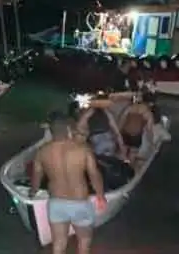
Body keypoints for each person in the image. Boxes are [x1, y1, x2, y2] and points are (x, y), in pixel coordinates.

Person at [29, 116, 107, 254]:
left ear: (51, 132)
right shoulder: (82, 149)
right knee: (84, 241)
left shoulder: (42, 151)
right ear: (68, 130)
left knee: (59, 243)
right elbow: (94, 175)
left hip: (56, 203)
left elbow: (36, 177)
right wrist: (100, 196)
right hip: (79, 202)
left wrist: (32, 192)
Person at [74, 93, 128, 161]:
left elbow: (79, 126)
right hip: (108, 140)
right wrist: (123, 150)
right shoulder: (107, 113)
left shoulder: (89, 114)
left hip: (97, 142)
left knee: (101, 163)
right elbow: (117, 133)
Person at [118, 90, 156, 165]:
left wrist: (118, 133)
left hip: (125, 132)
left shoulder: (131, 107)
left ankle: (120, 167)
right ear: (151, 103)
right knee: (133, 153)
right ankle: (128, 169)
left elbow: (122, 119)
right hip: (136, 135)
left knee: (123, 151)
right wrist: (152, 142)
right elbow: (149, 129)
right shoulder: (147, 112)